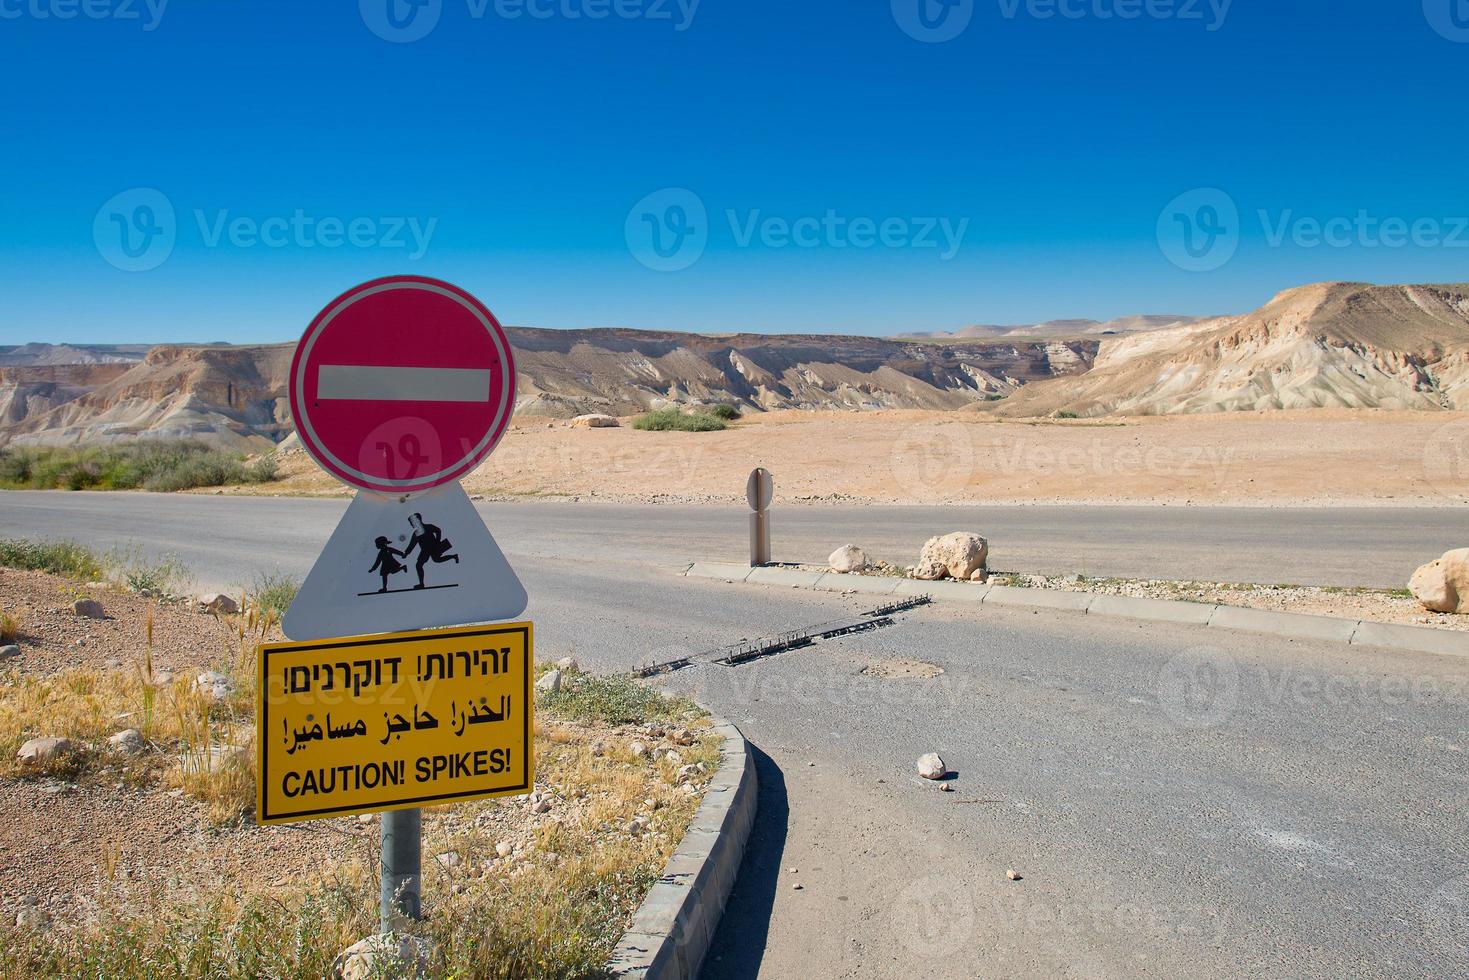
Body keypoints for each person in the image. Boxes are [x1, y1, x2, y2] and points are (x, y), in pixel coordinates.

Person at [403, 512, 459, 589]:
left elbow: (438, 530)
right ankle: (453, 556)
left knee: (423, 564)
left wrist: (437, 541)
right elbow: (411, 545)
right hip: (425, 550)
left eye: (412, 522)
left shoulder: (428, 527)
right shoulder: (417, 533)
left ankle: (421, 584)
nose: (411, 525)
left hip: (431, 548)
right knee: (431, 561)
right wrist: (406, 553)